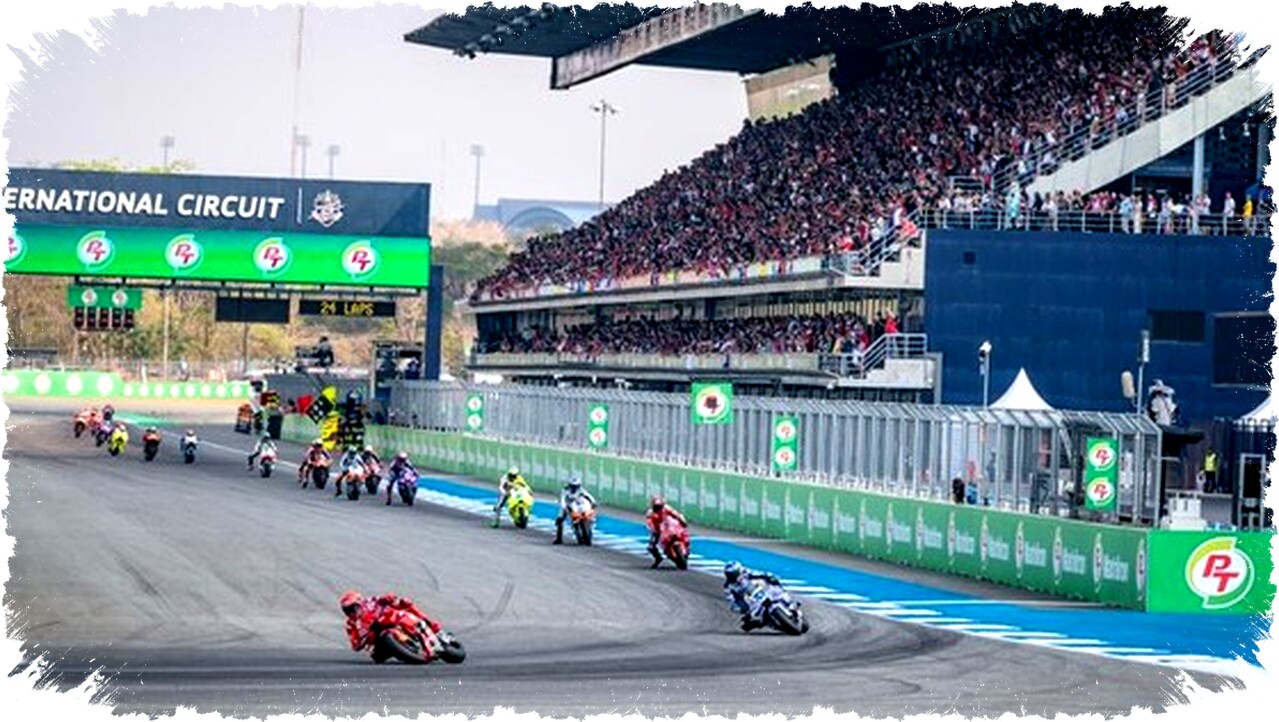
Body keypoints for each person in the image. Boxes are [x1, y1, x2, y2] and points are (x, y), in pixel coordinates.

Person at [339, 590, 444, 662]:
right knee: (377, 657)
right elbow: (355, 645)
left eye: (352, 608)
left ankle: (430, 624)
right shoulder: (351, 625)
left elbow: (385, 599)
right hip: (378, 639)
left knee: (405, 604)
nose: (350, 612)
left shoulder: (370, 602)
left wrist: (389, 598)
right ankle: (402, 650)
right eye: (347, 610)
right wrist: (364, 639)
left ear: (359, 603)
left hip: (390, 620)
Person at [722, 561, 783, 631]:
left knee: (776, 588)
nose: (732, 576)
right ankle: (768, 623)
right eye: (729, 575)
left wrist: (769, 576)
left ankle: (790, 604)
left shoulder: (746, 573)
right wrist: (740, 606)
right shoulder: (728, 587)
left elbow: (759, 573)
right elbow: (731, 600)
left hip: (759, 589)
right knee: (753, 619)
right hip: (750, 601)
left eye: (734, 574)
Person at [552, 475, 597, 545]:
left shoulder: (581, 490)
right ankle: (559, 539)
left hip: (579, 506)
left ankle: (589, 528)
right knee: (560, 519)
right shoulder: (565, 491)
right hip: (568, 505)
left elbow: (588, 496)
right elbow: (562, 500)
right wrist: (564, 506)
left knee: (590, 514)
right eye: (573, 486)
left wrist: (593, 502)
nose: (574, 488)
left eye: (576, 486)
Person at [645, 496, 687, 569]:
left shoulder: (666, 508)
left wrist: (682, 520)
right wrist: (654, 530)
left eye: (660, 507)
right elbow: (650, 523)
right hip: (658, 529)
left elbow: (676, 514)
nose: (658, 509)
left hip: (669, 526)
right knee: (651, 546)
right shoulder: (650, 513)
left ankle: (685, 545)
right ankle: (658, 558)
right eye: (656, 507)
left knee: (682, 531)